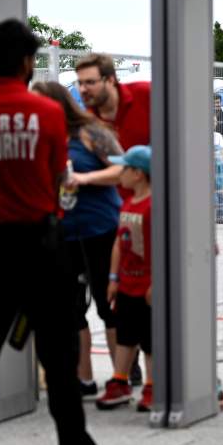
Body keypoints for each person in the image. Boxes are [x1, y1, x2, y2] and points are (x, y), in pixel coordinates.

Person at [0, 18, 129, 445]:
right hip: (42, 245)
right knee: (59, 358)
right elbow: (55, 179)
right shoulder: (46, 115)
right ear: (28, 62)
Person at [31, 81, 124, 399]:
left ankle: (120, 376)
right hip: (63, 233)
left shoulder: (89, 132)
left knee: (108, 304)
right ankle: (82, 378)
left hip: (100, 230)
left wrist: (84, 178)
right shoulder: (40, 138)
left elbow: (123, 170)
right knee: (69, 308)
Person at [75, 52, 148, 386]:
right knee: (115, 295)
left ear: (110, 79)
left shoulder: (146, 96)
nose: (84, 89)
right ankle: (125, 370)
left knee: (151, 297)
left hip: (152, 216)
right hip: (114, 220)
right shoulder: (89, 123)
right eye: (80, 83)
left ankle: (161, 371)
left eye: (90, 82)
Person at [97, 146, 155, 412]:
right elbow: (119, 244)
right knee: (125, 335)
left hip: (146, 286)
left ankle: (154, 385)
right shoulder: (128, 203)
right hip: (127, 285)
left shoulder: (153, 206)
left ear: (139, 174)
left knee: (149, 338)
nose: (119, 174)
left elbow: (159, 247)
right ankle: (119, 380)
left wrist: (156, 282)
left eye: (124, 169)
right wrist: (113, 278)